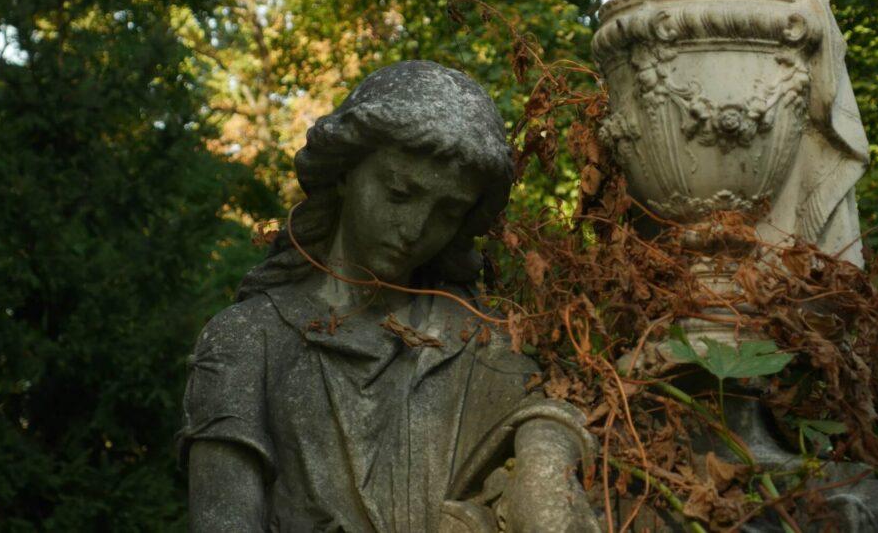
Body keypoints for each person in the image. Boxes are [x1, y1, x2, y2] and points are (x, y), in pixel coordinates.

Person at [178, 61, 601, 533]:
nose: (416, 229)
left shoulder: (471, 341)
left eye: (447, 212)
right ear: (344, 172)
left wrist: (544, 457)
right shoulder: (247, 340)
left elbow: (549, 408)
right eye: (400, 193)